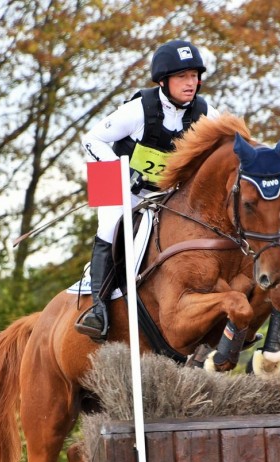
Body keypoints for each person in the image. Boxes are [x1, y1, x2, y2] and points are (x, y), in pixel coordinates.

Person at [77, 39, 221, 341]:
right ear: (164, 80)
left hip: (164, 191)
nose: (191, 83)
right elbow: (91, 139)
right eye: (183, 76)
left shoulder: (206, 113)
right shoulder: (138, 110)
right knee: (111, 224)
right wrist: (117, 172)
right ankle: (98, 309)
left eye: (194, 76)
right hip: (116, 179)